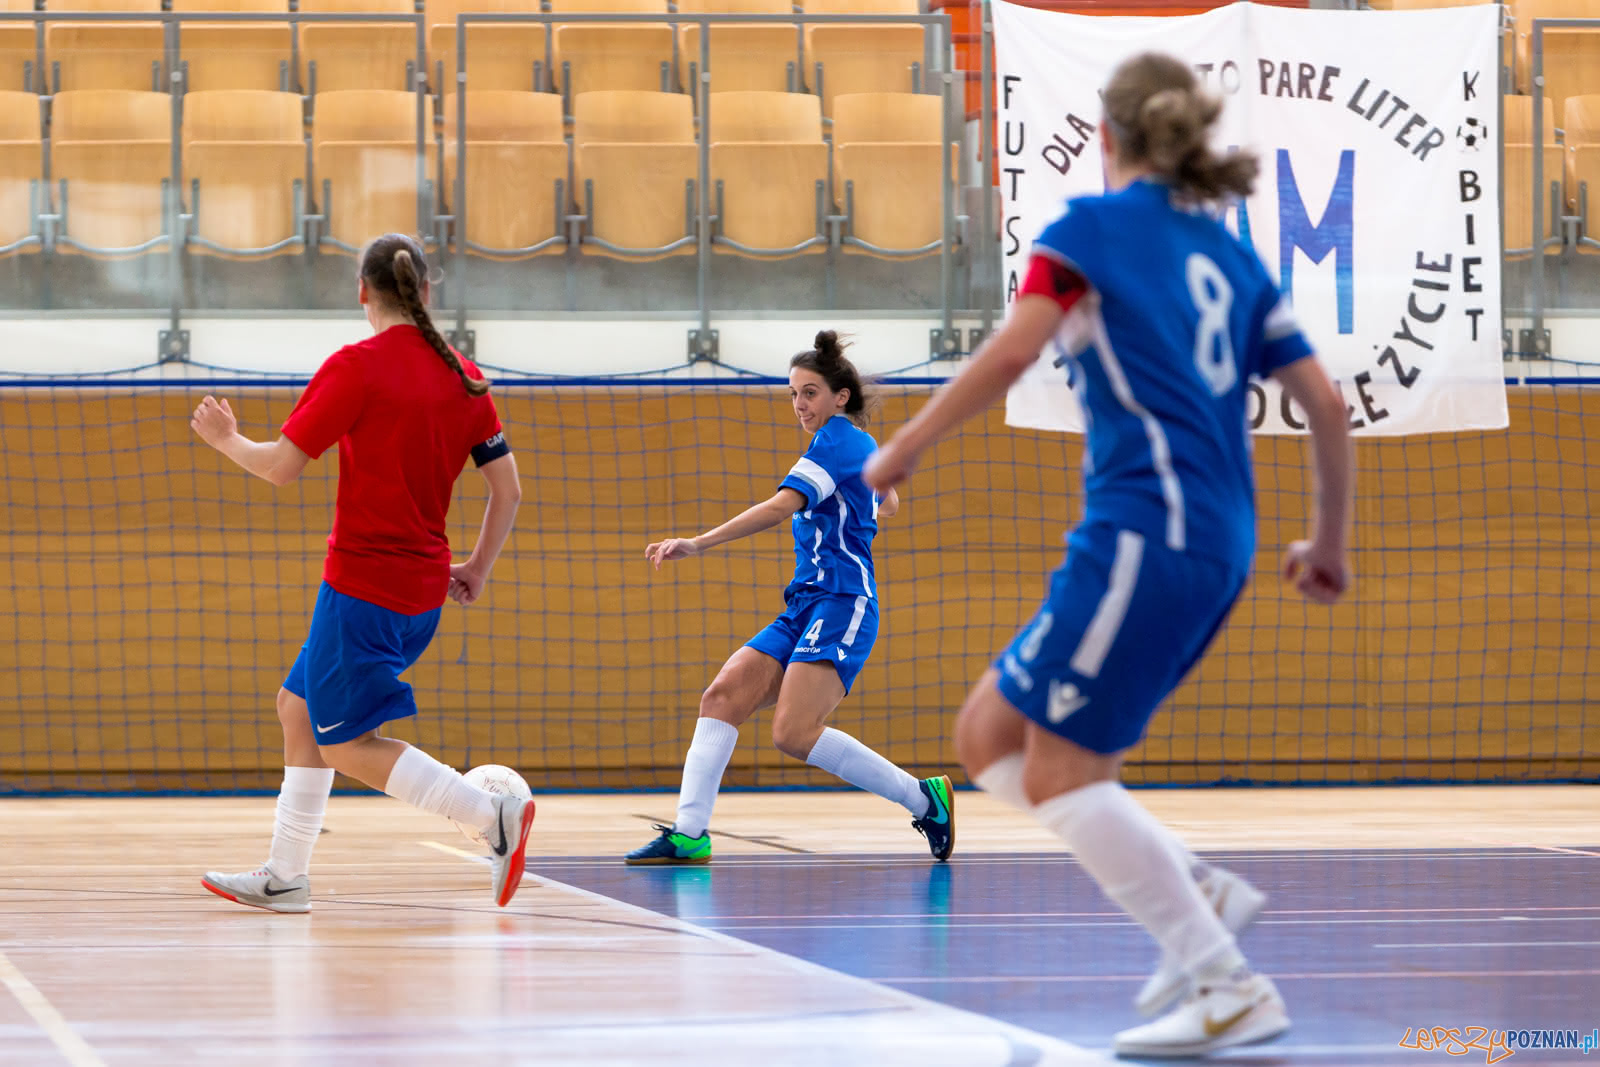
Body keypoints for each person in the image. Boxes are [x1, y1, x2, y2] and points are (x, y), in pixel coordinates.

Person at [863, 53, 1353, 1057]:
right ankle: (1195, 888)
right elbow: (1325, 403)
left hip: (1145, 531)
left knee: (1059, 772)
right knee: (985, 735)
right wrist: (1330, 541)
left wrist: (904, 443)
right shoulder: (1228, 254)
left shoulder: (1086, 231)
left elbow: (1011, 351)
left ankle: (1226, 980)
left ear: (1106, 139)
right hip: (1214, 537)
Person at [191, 233, 536, 913]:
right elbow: (510, 490)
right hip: (418, 592)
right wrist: (476, 568)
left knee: (346, 744)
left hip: (363, 589)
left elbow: (280, 467)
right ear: (426, 291)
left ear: (362, 293)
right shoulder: (464, 375)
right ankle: (286, 874)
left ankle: (486, 813)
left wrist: (226, 438)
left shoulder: (357, 367)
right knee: (299, 707)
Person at [625, 331, 956, 866]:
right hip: (804, 602)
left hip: (843, 601)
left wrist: (698, 541)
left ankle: (924, 799)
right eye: (793, 394)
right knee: (723, 697)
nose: (799, 405)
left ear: (839, 397)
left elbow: (780, 507)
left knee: (794, 733)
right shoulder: (852, 446)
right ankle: (689, 833)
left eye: (809, 393)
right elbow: (888, 503)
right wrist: (877, 480)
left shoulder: (838, 442)